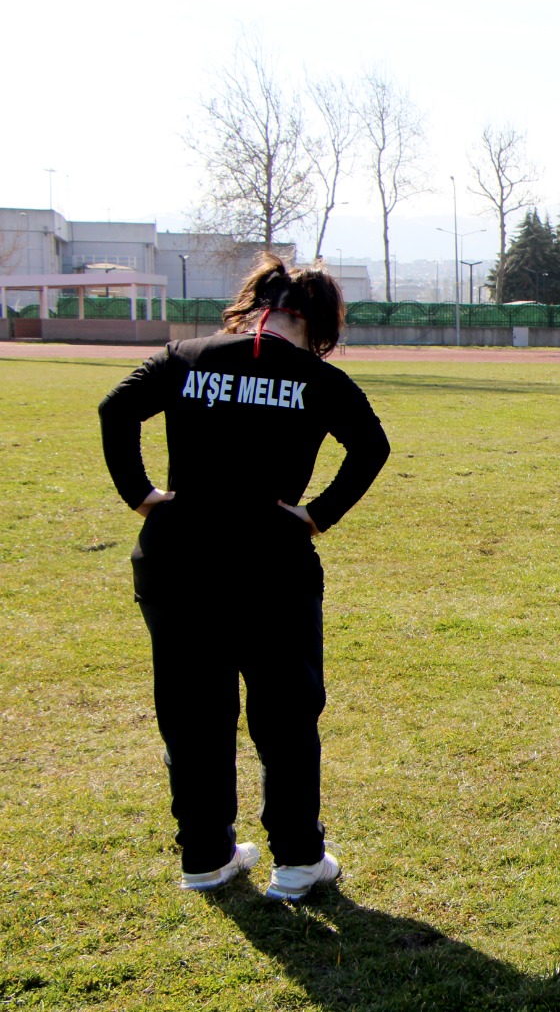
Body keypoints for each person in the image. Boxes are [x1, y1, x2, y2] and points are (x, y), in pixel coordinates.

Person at [98, 254, 389, 899]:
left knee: (192, 713)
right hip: (271, 565)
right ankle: (298, 861)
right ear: (317, 321)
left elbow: (114, 411)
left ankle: (205, 856)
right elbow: (373, 445)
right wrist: (316, 516)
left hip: (177, 562)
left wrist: (141, 496)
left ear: (256, 303)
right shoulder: (317, 376)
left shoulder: (184, 357)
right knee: (285, 715)